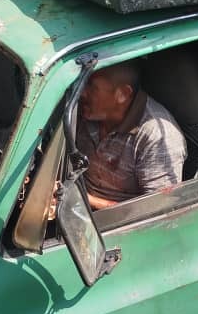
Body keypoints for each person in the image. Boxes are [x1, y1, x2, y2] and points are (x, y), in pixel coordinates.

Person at [74, 61, 187, 209]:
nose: (82, 93)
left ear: (122, 94)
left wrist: (84, 200)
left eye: (92, 87)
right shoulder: (87, 112)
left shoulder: (156, 137)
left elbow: (158, 210)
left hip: (121, 223)